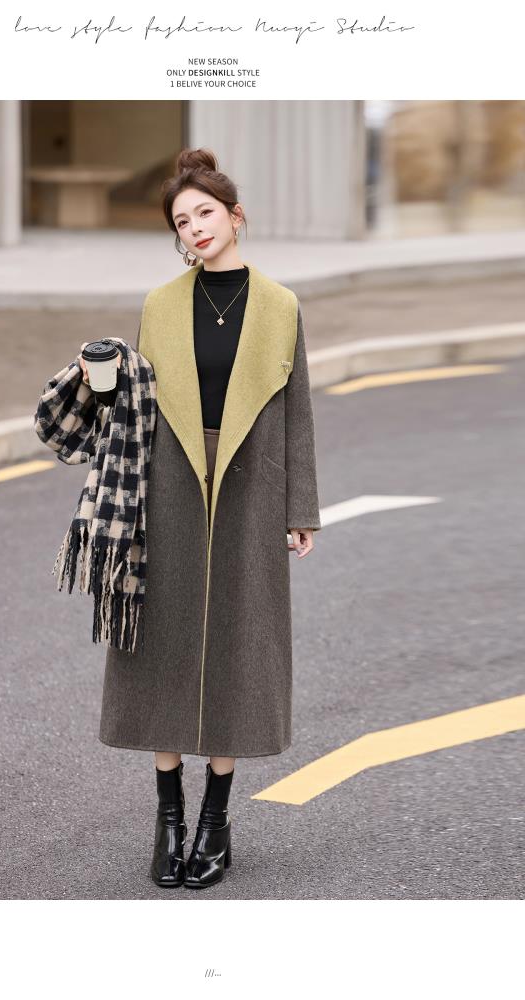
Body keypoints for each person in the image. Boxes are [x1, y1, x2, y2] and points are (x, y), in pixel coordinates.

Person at [78, 147, 322, 890]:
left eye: (205, 213)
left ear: (235, 215)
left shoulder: (280, 306)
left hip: (252, 486)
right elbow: (137, 407)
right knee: (163, 641)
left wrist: (300, 507)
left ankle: (215, 821)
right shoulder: (160, 304)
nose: (195, 228)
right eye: (182, 222)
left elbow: (296, 410)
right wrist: (101, 380)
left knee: (239, 645)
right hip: (169, 483)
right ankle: (168, 819)